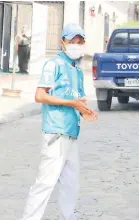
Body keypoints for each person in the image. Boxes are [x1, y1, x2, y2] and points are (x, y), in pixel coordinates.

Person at [20, 23, 98, 220]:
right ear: (62, 42)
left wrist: (84, 111)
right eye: (72, 41)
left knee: (70, 184)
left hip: (71, 134)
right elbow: (40, 95)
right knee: (45, 183)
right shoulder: (54, 64)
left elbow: (76, 101)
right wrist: (71, 102)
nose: (76, 45)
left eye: (80, 42)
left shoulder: (78, 70)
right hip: (56, 133)